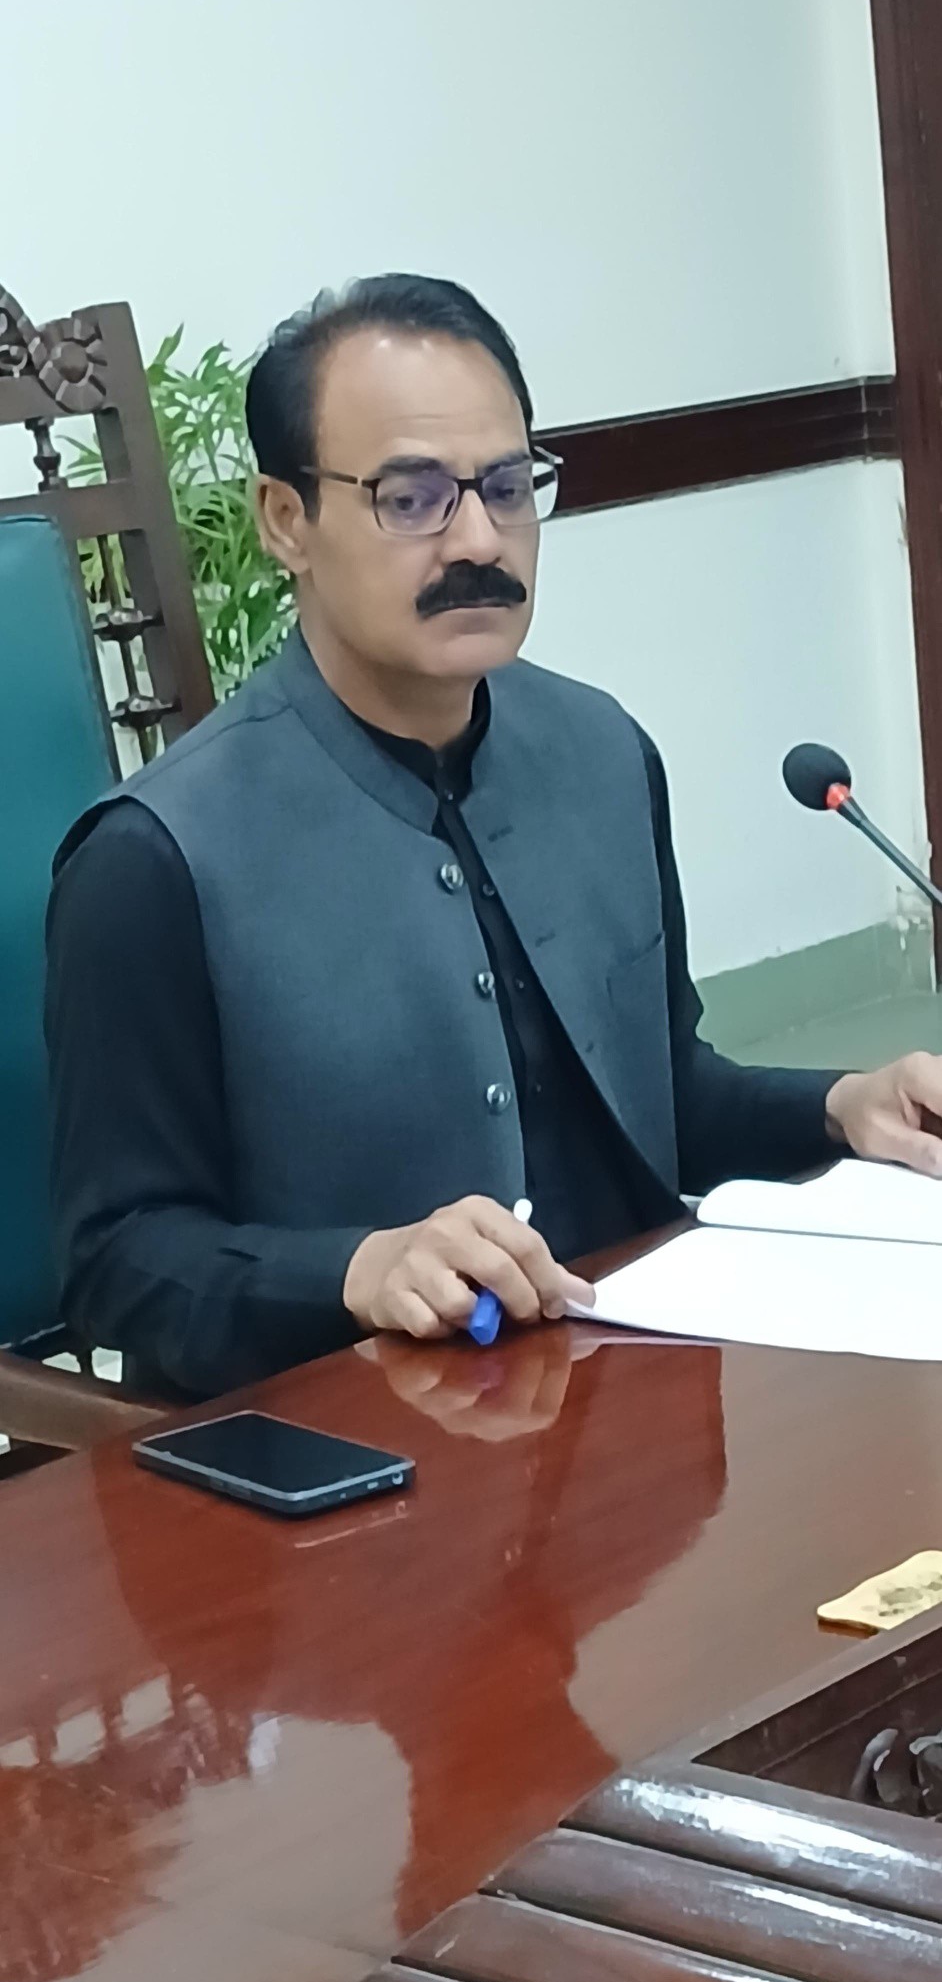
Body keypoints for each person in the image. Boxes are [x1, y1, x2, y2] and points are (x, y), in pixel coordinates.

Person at [45, 274, 942, 1399]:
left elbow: (660, 1099)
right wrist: (358, 1270)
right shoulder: (154, 859)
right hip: (362, 1446)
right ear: (286, 522)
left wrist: (842, 1107)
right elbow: (119, 1262)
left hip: (639, 1400)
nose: (479, 538)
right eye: (412, 497)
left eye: (509, 487)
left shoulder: (602, 753)